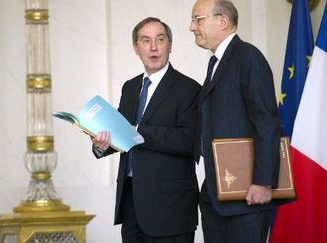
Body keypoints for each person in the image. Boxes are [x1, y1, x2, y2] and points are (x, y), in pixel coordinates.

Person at [90, 17, 200, 243]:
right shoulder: (130, 87)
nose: (153, 47)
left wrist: (140, 130)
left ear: (169, 45)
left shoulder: (189, 89)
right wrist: (103, 146)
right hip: (131, 204)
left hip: (171, 209)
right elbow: (123, 134)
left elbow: (189, 141)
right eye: (145, 40)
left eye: (160, 40)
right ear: (136, 48)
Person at [189, 0, 282, 242]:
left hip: (246, 197)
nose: (192, 27)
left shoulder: (248, 57)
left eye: (198, 19)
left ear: (223, 21)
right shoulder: (216, 63)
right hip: (216, 197)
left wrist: (263, 182)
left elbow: (266, 122)